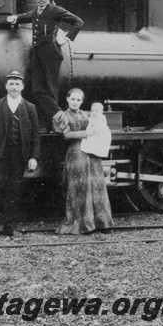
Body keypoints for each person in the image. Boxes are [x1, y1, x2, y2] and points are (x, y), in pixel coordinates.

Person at [7, 0, 83, 128]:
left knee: (50, 88)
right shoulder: (36, 12)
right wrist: (15, 17)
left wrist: (66, 38)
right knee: (37, 89)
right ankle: (59, 117)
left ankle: (56, 122)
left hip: (51, 51)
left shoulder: (55, 10)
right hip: (37, 52)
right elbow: (26, 16)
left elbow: (78, 22)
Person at [0, 70, 40, 239]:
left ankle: (10, 226)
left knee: (14, 190)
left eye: (17, 84)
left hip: (19, 155)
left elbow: (35, 134)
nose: (14, 87)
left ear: (22, 86)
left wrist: (33, 157)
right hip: (0, 154)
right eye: (11, 84)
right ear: (6, 86)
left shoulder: (30, 108)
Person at [52, 88, 113, 235]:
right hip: (76, 153)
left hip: (92, 152)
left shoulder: (87, 114)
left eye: (78, 100)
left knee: (97, 185)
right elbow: (66, 135)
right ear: (67, 99)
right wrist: (87, 133)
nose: (75, 102)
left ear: (82, 101)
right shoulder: (63, 116)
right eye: (72, 99)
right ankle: (84, 225)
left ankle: (102, 223)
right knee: (79, 188)